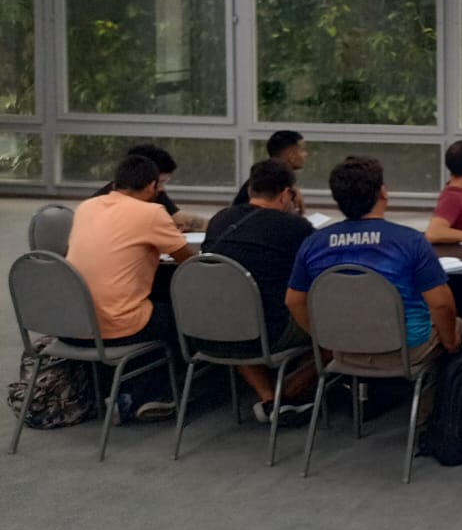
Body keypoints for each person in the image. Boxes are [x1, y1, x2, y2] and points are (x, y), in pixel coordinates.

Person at [285, 156, 462, 421]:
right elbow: (441, 304)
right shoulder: (410, 242)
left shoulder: (313, 244)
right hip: (405, 350)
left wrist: (324, 339)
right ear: (383, 192)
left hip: (344, 349)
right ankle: (430, 422)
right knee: (459, 329)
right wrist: (450, 342)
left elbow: (293, 301)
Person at [66, 153, 195, 421]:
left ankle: (122, 385)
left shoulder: (86, 207)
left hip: (73, 323)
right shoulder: (151, 212)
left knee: (153, 305)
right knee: (184, 318)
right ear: (151, 186)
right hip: (118, 324)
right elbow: (189, 262)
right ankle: (148, 394)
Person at [203, 158, 318, 425]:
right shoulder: (295, 227)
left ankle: (267, 399)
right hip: (270, 332)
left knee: (236, 314)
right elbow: (317, 271)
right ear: (287, 194)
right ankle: (287, 393)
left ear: (250, 189)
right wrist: (297, 216)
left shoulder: (220, 219)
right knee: (338, 327)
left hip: (212, 327)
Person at [92, 143, 208, 232]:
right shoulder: (100, 207)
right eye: (161, 182)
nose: (161, 189)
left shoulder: (151, 192)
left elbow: (179, 219)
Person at [231, 130, 307, 211]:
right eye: (302, 150)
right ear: (291, 155)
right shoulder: (270, 184)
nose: (306, 154)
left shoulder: (262, 178)